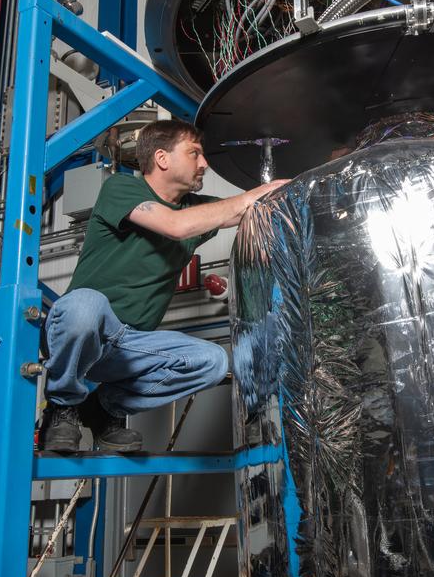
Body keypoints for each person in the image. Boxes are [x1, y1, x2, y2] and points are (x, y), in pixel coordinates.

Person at [40, 119, 288, 453]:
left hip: (130, 347)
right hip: (80, 331)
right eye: (194, 153)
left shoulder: (196, 209)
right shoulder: (122, 189)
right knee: (87, 305)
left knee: (212, 362)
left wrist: (289, 191)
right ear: (162, 158)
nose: (204, 163)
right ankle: (62, 405)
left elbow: (245, 211)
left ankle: (102, 410)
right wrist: (255, 195)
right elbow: (175, 226)